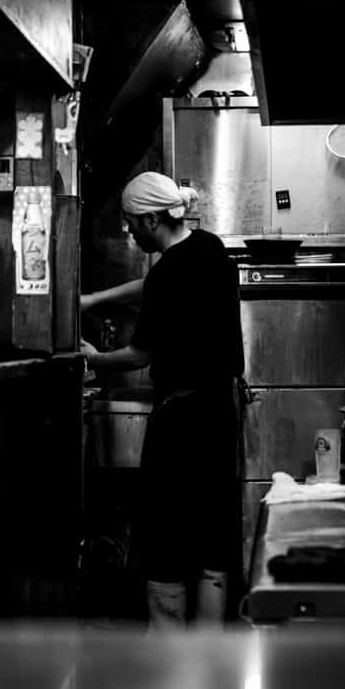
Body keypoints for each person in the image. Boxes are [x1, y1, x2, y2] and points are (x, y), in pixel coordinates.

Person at [81, 172, 243, 629]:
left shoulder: (172, 269)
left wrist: (94, 358)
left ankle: (167, 642)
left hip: (180, 417)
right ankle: (210, 640)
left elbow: (139, 355)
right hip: (218, 411)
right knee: (213, 527)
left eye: (132, 222)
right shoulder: (208, 248)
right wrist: (94, 300)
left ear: (152, 219)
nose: (128, 231)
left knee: (165, 530)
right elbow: (153, 287)